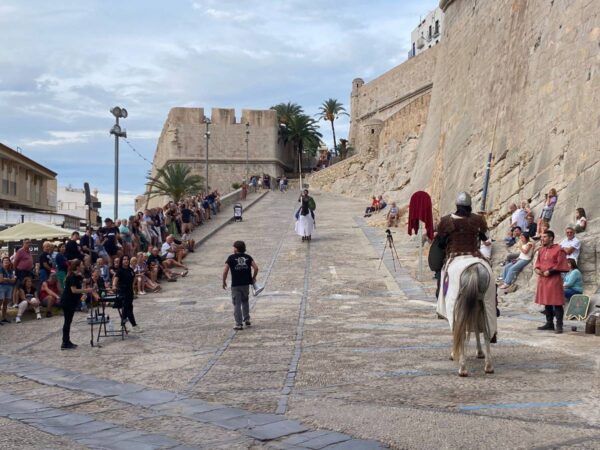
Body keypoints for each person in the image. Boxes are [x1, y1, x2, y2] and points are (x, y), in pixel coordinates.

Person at [534, 230, 570, 334]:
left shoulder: (559, 249)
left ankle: (559, 326)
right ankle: (549, 324)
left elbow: (562, 265)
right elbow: (538, 263)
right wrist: (536, 269)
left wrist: (550, 271)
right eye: (541, 237)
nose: (542, 239)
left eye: (544, 237)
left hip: (554, 279)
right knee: (546, 302)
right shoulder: (541, 250)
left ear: (551, 238)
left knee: (557, 303)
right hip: (543, 279)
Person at [223, 240, 259, 330]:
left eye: (234, 247)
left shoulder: (231, 258)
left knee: (237, 304)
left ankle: (238, 323)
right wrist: (253, 278)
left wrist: (223, 281)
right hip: (246, 284)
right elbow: (256, 268)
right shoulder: (248, 257)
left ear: (236, 248)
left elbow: (225, 270)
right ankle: (247, 319)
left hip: (236, 284)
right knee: (245, 301)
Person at [61, 259, 93, 350]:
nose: (83, 266)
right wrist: (86, 291)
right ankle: (65, 342)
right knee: (67, 322)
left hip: (72, 302)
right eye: (82, 265)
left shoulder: (77, 276)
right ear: (77, 266)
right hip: (67, 301)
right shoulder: (71, 277)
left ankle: (67, 341)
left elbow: (86, 280)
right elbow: (74, 290)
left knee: (69, 321)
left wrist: (92, 272)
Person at [113, 255, 141, 333]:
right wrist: (114, 286)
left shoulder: (130, 270)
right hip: (123, 292)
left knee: (127, 309)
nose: (126, 260)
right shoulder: (120, 270)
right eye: (124, 259)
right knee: (128, 309)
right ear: (122, 261)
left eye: (127, 259)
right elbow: (115, 279)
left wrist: (133, 287)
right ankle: (134, 325)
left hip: (130, 292)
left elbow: (134, 277)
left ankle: (122, 326)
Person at [0, 256, 16, 324]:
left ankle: (3, 318)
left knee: (5, 304)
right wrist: (9, 279)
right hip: (2, 287)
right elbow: (0, 280)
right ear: (2, 262)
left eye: (7, 260)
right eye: (4, 261)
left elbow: (13, 281)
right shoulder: (0, 269)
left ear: (9, 262)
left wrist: (6, 279)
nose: (6, 261)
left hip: (9, 287)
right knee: (0, 302)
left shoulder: (10, 270)